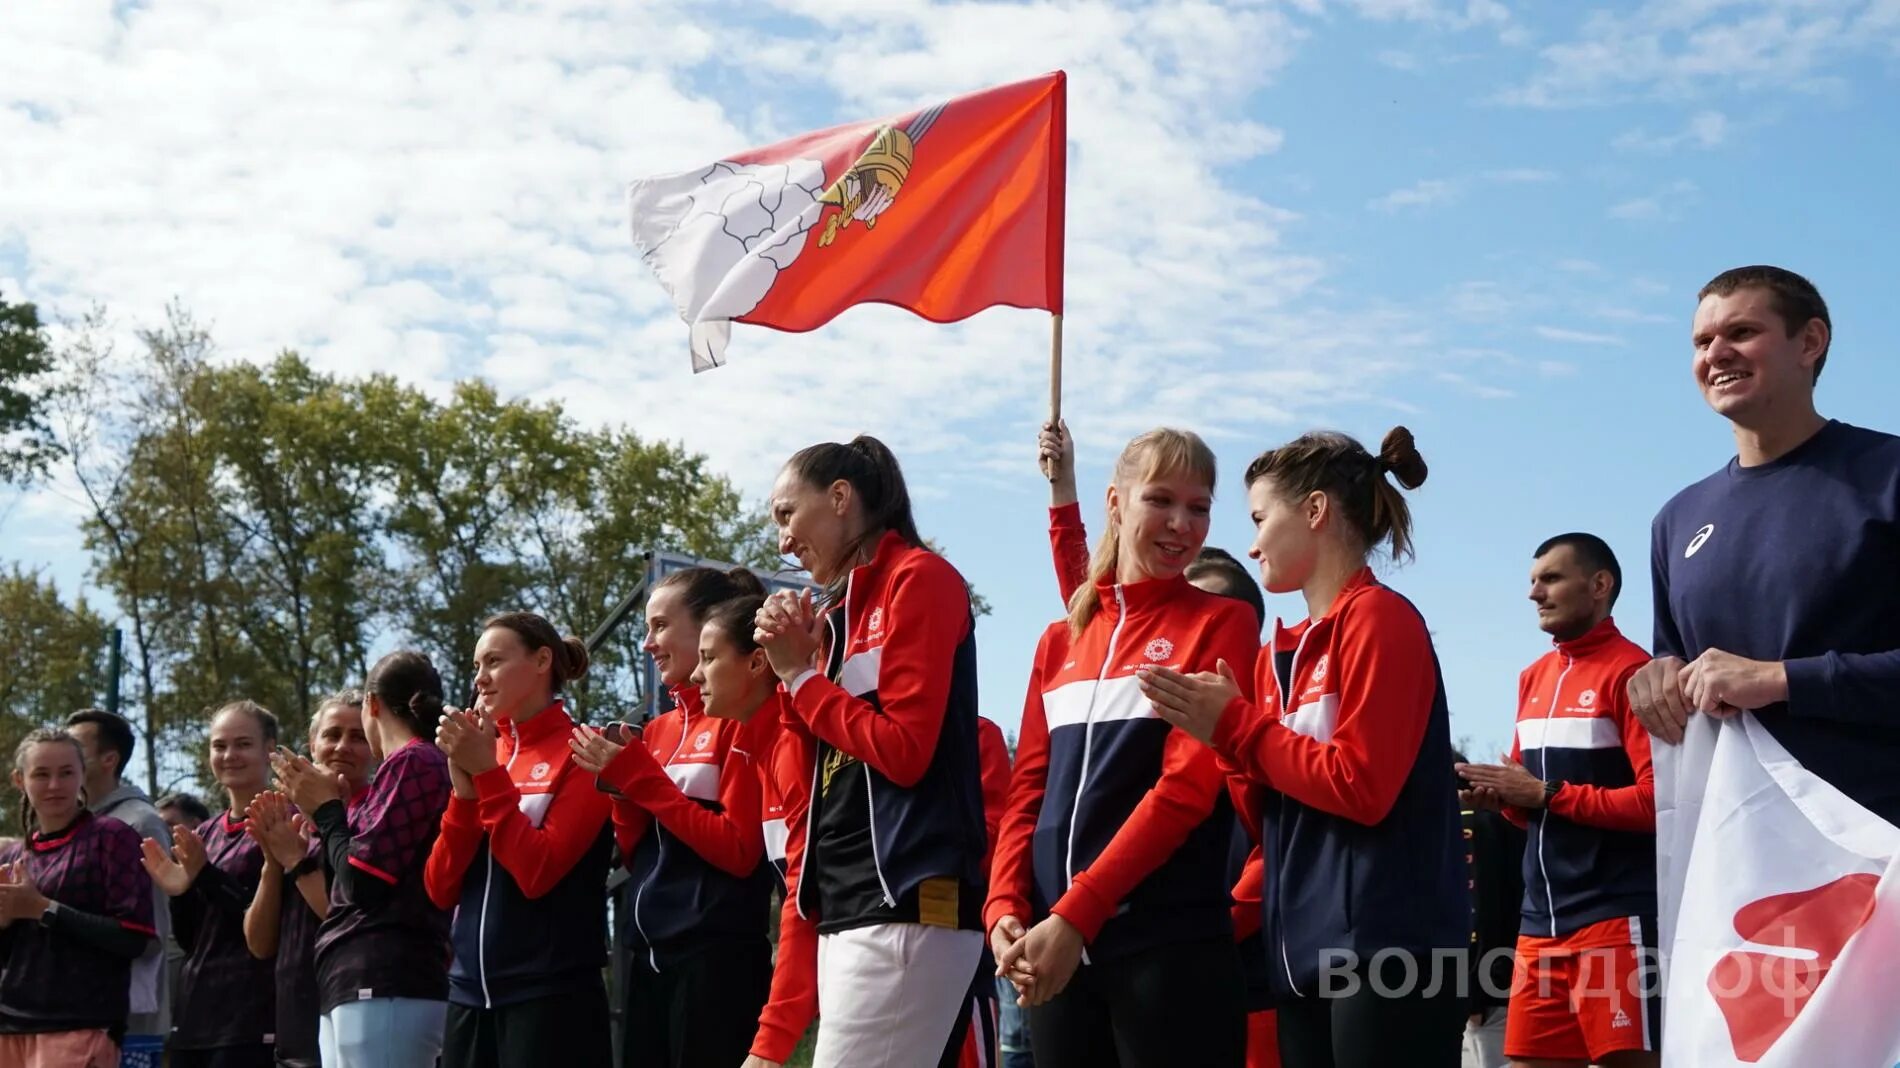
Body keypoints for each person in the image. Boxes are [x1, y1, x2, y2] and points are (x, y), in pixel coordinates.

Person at [1139, 427, 1467, 1068]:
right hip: (1301, 952)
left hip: (1390, 951)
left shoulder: (1379, 618)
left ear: (1315, 512)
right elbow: (1269, 821)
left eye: (1261, 518)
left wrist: (1237, 729)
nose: (1253, 540)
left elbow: (1363, 789)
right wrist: (1227, 744)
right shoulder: (1277, 654)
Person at [989, 427, 1260, 1067]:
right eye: (1160, 500)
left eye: (1199, 507)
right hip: (1053, 946)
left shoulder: (1221, 621)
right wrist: (1003, 904)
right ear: (1117, 502)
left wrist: (1078, 914)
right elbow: (1026, 788)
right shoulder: (1062, 638)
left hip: (1166, 949)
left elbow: (1185, 792)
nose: (1180, 524)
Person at [751, 434, 990, 1068]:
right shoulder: (839, 612)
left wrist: (802, 679)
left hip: (910, 899)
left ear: (839, 498)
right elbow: (811, 769)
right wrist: (793, 671)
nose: (781, 541)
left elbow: (906, 751)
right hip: (849, 903)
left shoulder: (921, 578)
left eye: (785, 514)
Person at [1630, 266, 1900, 825]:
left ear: (1810, 342)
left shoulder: (1888, 476)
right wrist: (1658, 680)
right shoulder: (1676, 521)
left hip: (1879, 852)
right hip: (1743, 867)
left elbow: (1761, 679)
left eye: (1742, 332)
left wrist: (1780, 680)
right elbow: (1675, 664)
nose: (1717, 353)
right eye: (1703, 341)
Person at [1459, 534, 1658, 1067]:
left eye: (1550, 578)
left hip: (1615, 918)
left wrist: (1544, 794)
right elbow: (1529, 808)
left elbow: (1657, 805)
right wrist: (1502, 800)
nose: (1534, 594)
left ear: (1599, 586)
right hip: (1537, 927)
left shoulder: (1634, 672)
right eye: (1532, 581)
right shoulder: (1533, 678)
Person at [568, 566, 773, 1068]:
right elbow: (640, 854)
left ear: (706, 624)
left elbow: (741, 853)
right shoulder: (656, 730)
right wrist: (620, 789)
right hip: (647, 956)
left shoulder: (739, 719)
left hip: (714, 962)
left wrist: (642, 781)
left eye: (659, 626)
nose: (646, 644)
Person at [424, 612, 615, 1068]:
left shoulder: (583, 749)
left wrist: (488, 776)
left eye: (493, 661)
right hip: (469, 996)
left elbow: (538, 872)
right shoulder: (487, 751)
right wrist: (464, 796)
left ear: (541, 661)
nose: (480, 679)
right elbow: (439, 887)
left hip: (551, 997)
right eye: (475, 666)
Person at [270, 652, 455, 1068]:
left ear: (372, 704)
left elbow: (364, 883)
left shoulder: (415, 760)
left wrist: (326, 811)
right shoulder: (401, 766)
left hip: (390, 974)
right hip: (351, 976)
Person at [0, 728, 158, 1067]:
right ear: (19, 780)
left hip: (81, 1027)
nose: (54, 785)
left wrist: (43, 909)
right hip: (9, 1028)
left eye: (66, 773)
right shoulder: (12, 856)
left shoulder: (112, 837)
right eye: (41, 774)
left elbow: (135, 938)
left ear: (82, 774)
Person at [140, 701, 281, 1068]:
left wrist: (204, 875)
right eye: (219, 745)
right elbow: (192, 939)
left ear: (270, 750)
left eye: (243, 744)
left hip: (256, 1017)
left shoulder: (287, 820)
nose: (229, 755)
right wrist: (179, 893)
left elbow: (269, 927)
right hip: (198, 1016)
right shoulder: (205, 833)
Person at [239, 692, 374, 1068]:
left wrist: (296, 860)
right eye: (332, 735)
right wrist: (272, 860)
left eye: (358, 736)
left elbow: (349, 916)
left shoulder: (375, 816)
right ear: (311, 743)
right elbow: (259, 943)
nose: (342, 747)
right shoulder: (283, 817)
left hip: (352, 1014)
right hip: (290, 1023)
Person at [65, 708, 175, 1059]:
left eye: (75, 749)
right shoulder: (68, 823)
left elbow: (152, 929)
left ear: (109, 759)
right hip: (69, 1011)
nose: (63, 757)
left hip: (127, 1019)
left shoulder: (140, 824)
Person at [1449, 750, 1525, 1068]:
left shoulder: (1469, 823)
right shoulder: (1505, 818)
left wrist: (1476, 993)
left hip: (1488, 993)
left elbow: (1482, 909)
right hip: (1509, 977)